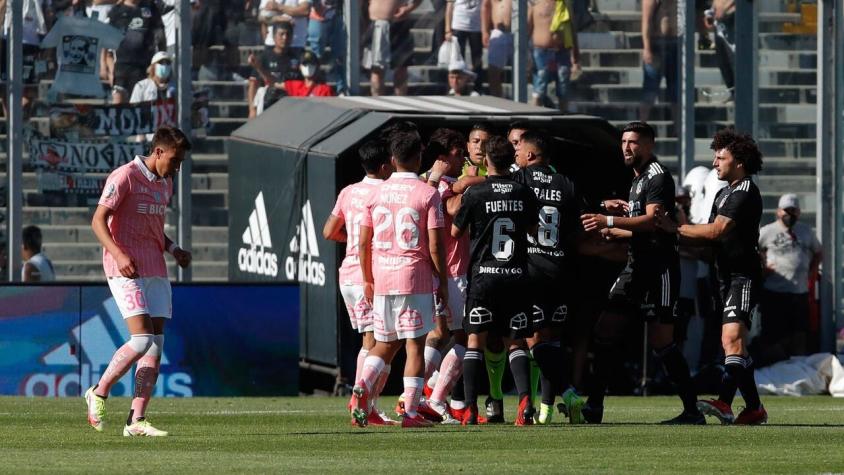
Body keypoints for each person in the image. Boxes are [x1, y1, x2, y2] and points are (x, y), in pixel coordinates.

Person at [581, 121, 702, 425]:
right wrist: (615, 231)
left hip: (659, 269)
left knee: (663, 342)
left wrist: (608, 221)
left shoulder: (657, 177)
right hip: (637, 266)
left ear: (649, 145)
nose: (626, 147)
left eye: (633, 142)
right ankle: (594, 406)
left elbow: (652, 223)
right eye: (623, 141)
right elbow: (644, 230)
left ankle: (692, 410)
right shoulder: (636, 180)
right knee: (605, 329)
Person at [85, 126, 192, 437]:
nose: (177, 167)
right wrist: (118, 255)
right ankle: (99, 391)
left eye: (180, 161)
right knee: (141, 339)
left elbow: (154, 230)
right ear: (158, 152)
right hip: (125, 267)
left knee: (156, 345)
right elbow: (97, 220)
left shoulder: (165, 184)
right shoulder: (125, 176)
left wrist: (173, 249)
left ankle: (136, 420)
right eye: (174, 160)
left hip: (155, 267)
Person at [655, 128, 766, 425]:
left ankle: (725, 402)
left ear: (739, 162)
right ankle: (754, 408)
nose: (715, 163)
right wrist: (670, 237)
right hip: (724, 277)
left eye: (721, 158)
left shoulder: (744, 192)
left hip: (743, 276)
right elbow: (708, 239)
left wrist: (674, 229)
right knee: (735, 344)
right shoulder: (725, 192)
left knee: (731, 339)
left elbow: (717, 230)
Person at [352, 129, 448, 428]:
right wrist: (442, 281)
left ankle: (363, 388)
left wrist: (368, 279)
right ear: (419, 157)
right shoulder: (427, 193)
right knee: (414, 346)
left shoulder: (376, 192)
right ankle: (409, 413)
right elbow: (434, 244)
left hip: (382, 277)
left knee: (383, 342)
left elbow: (363, 241)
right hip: (413, 277)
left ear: (392, 159)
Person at [452, 135, 540, 425]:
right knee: (515, 342)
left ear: (487, 160)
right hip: (516, 275)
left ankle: (471, 407)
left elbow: (455, 232)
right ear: (510, 160)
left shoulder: (475, 194)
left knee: (475, 340)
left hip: (484, 276)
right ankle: (526, 402)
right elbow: (532, 228)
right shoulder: (523, 192)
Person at [512, 130, 588, 424]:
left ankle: (566, 393)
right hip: (560, 270)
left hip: (531, 270)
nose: (516, 154)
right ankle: (545, 410)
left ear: (530, 155)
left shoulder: (521, 179)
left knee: (526, 338)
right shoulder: (566, 183)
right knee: (552, 340)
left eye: (519, 149)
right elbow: (580, 226)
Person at [323, 139, 395, 426]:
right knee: (377, 342)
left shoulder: (349, 191)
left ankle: (367, 404)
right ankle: (362, 402)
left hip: (347, 275)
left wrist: (350, 242)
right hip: (370, 277)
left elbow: (329, 231)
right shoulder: (386, 192)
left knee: (377, 340)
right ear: (385, 165)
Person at [416, 137, 471, 424]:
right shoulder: (439, 183)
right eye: (459, 151)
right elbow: (451, 208)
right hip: (452, 270)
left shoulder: (426, 182)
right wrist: (476, 182)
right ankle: (432, 399)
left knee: (438, 334)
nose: (464, 157)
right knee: (463, 337)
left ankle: (416, 397)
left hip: (436, 270)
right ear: (444, 155)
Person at [757, 193, 821, 363]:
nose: (790, 214)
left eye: (794, 210)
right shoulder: (767, 231)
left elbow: (818, 252)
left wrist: (812, 272)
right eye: (787, 210)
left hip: (799, 291)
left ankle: (799, 365)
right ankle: (773, 365)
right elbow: (753, 251)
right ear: (778, 211)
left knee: (799, 332)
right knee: (773, 332)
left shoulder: (806, 231)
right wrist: (762, 268)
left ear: (799, 212)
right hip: (774, 291)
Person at [108, 0, 166, 104]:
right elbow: (106, 44)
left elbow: (161, 36)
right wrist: (108, 68)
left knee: (142, 107)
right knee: (118, 105)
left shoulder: (150, 7)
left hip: (144, 67)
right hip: (121, 68)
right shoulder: (116, 11)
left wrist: (161, 61)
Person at [528, 0, 581, 112]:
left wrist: (575, 56)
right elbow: (527, 30)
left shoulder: (565, 4)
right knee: (539, 90)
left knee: (563, 91)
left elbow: (572, 29)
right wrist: (527, 56)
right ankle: (534, 120)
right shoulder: (535, 4)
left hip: (562, 53)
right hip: (541, 53)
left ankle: (563, 122)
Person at [247, 21, 302, 118]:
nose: (285, 38)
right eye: (281, 34)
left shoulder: (297, 58)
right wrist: (252, 109)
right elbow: (253, 85)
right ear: (274, 36)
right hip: (268, 104)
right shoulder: (264, 57)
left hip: (291, 107)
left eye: (288, 34)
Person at [366, 0, 422, 96]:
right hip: (376, 25)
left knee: (401, 68)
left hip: (399, 24)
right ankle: (377, 102)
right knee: (377, 69)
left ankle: (400, 101)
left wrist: (408, 9)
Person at [640, 0, 678, 123]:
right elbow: (645, 22)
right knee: (650, 91)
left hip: (675, 44)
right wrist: (647, 48)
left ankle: (679, 129)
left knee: (676, 91)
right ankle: (640, 125)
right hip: (657, 44)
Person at [307, 0, 347, 95]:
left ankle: (341, 89)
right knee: (315, 55)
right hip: (318, 16)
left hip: (338, 15)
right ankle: (314, 86)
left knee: (339, 54)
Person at [445, 0, 482, 91]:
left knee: (477, 59)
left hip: (477, 26)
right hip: (459, 25)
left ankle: (477, 87)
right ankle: (457, 87)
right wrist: (448, 29)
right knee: (457, 59)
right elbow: (449, 5)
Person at [481, 0, 512, 98]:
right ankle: (497, 99)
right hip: (498, 32)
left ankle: (521, 104)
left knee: (523, 73)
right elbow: (485, 6)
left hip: (519, 32)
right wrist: (485, 31)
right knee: (493, 72)